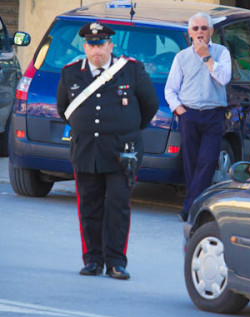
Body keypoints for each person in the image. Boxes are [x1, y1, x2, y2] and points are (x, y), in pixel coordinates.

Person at [56, 22, 159, 280]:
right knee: (89, 207)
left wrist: (127, 130)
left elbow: (150, 106)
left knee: (117, 206)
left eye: (101, 44)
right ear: (85, 47)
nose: (96, 49)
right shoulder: (71, 73)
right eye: (91, 44)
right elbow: (63, 110)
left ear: (111, 45)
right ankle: (92, 260)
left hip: (122, 152)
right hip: (86, 150)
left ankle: (116, 262)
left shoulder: (131, 70)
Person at [164, 12, 231, 221]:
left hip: (213, 114)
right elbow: (170, 89)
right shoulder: (181, 57)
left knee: (208, 161)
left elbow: (224, 78)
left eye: (204, 28)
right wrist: (181, 110)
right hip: (190, 114)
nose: (200, 32)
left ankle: (189, 207)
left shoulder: (221, 53)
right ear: (190, 33)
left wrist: (206, 57)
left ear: (211, 31)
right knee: (191, 162)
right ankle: (195, 206)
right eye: (196, 29)